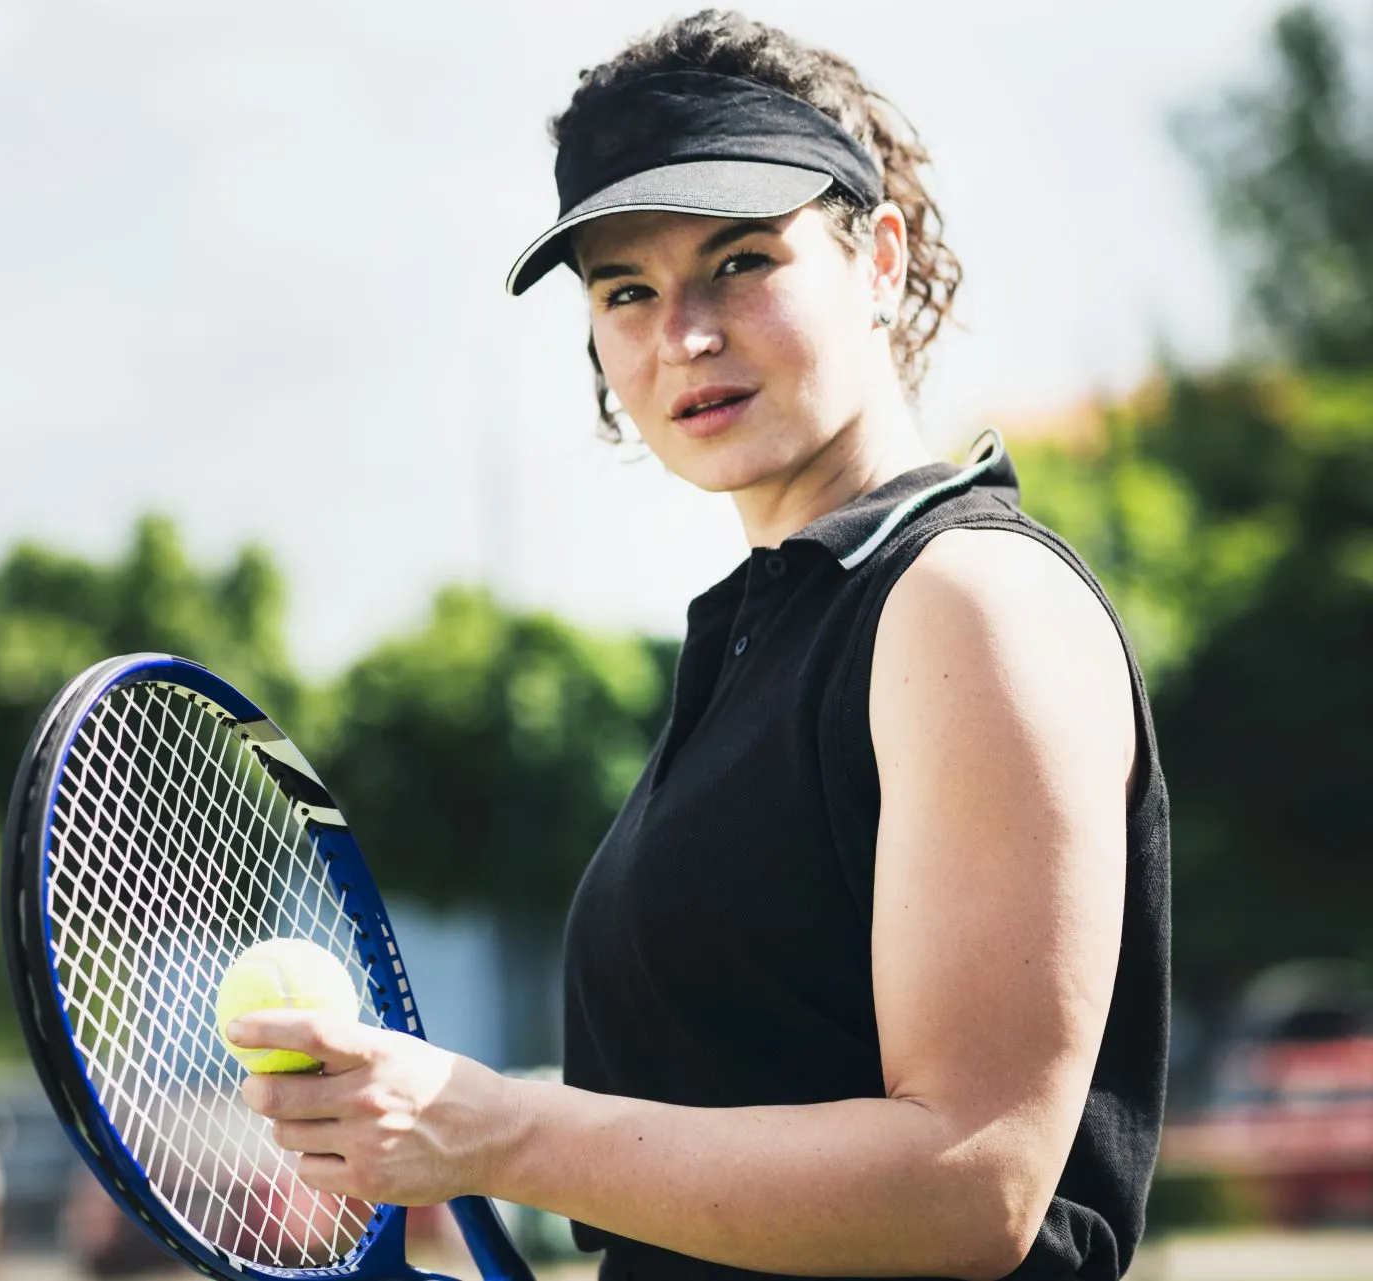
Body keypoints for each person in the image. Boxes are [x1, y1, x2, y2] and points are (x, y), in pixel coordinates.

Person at [228, 11, 1170, 1280]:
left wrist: (497, 1130)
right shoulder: (766, 632)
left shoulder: (968, 600)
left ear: (879, 259)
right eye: (627, 291)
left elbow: (973, 1185)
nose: (685, 334)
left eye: (740, 260)